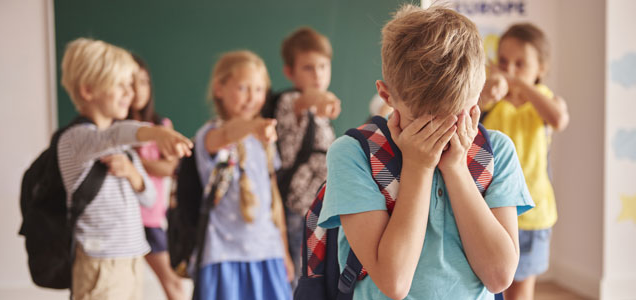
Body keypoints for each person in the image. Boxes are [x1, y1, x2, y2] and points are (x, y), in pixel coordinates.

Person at [316, 5, 535, 299]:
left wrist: (456, 169)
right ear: (387, 95)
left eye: (456, 117)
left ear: (479, 91)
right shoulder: (353, 155)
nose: (442, 134)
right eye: (425, 121)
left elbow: (499, 277)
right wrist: (418, 168)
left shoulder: (498, 152)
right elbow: (395, 283)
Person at [58, 37, 192, 299]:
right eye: (121, 85)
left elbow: (150, 197)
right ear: (88, 90)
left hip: (129, 258)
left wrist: (133, 174)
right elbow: (111, 136)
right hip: (100, 264)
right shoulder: (76, 139)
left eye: (131, 85)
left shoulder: (124, 149)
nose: (130, 94)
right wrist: (155, 132)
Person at [192, 50, 293, 300]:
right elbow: (228, 134)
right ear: (219, 88)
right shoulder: (210, 134)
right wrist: (253, 126)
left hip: (267, 253)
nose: (252, 97)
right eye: (243, 88)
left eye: (259, 89)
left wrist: (284, 252)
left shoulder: (262, 141)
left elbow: (273, 199)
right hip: (224, 255)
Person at [479, 23, 570, 300]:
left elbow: (559, 119)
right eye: (504, 62)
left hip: (533, 215)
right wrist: (487, 93)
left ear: (540, 68)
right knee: (490, 287)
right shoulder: (490, 100)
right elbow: (466, 113)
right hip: (489, 212)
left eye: (521, 64)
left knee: (519, 293)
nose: (510, 70)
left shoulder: (546, 101)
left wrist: (521, 86)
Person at [268, 26, 340, 289]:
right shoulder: (290, 101)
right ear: (290, 72)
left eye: (323, 66)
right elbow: (303, 100)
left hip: (320, 211)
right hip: (297, 210)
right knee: (299, 283)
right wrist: (321, 97)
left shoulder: (320, 113)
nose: (318, 74)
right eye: (308, 68)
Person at [127, 53, 184, 300]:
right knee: (127, 283)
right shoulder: (113, 129)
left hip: (151, 217)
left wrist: (134, 162)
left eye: (144, 82)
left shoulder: (161, 125)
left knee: (173, 282)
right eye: (130, 83)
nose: (138, 90)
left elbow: (170, 167)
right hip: (123, 219)